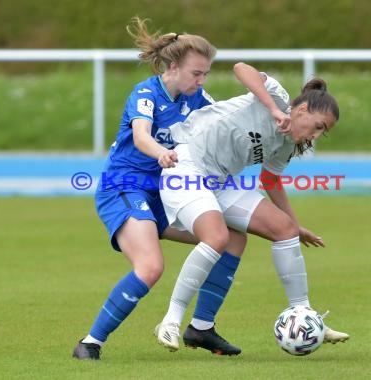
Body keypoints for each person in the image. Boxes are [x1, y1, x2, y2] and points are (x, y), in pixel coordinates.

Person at [72, 17, 248, 360]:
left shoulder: (197, 98)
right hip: (124, 187)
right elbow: (141, 137)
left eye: (206, 73)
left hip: (164, 193)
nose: (202, 80)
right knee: (151, 267)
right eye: (196, 73)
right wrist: (162, 152)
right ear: (172, 67)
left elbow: (228, 124)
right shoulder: (146, 93)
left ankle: (202, 327)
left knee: (231, 237)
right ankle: (90, 343)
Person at [155, 62, 350, 352]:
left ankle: (303, 316)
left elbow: (270, 180)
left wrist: (295, 226)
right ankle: (171, 320)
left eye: (325, 132)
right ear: (302, 110)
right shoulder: (277, 97)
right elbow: (241, 68)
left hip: (219, 181)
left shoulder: (287, 145)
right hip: (186, 168)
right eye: (319, 126)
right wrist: (272, 108)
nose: (317, 136)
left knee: (283, 230)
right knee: (217, 237)